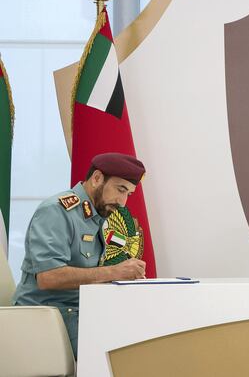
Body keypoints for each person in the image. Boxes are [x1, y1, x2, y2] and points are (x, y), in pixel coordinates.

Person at [12, 152, 148, 357]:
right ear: (97, 178)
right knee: (124, 356)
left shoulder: (96, 214)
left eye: (128, 194)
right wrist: (113, 272)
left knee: (143, 336)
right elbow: (48, 277)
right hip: (47, 316)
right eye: (120, 189)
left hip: (79, 311)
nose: (123, 202)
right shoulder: (57, 211)